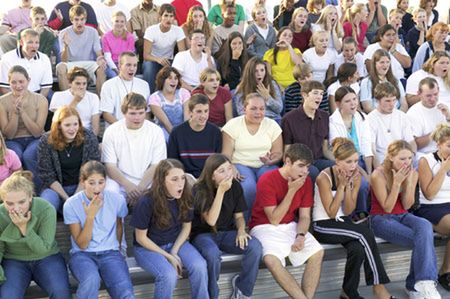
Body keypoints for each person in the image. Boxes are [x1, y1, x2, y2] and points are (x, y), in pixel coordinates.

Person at [313, 138, 392, 299]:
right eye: (348, 161)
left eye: (356, 161)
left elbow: (348, 210)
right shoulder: (324, 178)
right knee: (365, 233)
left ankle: (348, 292)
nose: (353, 165)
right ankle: (379, 286)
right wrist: (341, 186)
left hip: (343, 223)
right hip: (323, 224)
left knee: (357, 248)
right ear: (337, 161)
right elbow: (332, 213)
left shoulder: (355, 176)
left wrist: (349, 186)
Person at [249, 143, 324, 299]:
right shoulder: (267, 179)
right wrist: (292, 190)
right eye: (301, 166)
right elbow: (274, 219)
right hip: (264, 226)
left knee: (318, 252)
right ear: (288, 161)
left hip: (290, 225)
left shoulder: (306, 180)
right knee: (271, 260)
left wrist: (301, 236)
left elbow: (304, 216)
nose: (305, 171)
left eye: (307, 167)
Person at [370, 140, 441, 299]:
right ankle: (417, 285)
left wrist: (409, 182)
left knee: (424, 225)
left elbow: (407, 205)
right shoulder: (378, 174)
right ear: (390, 157)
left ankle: (422, 283)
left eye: (409, 158)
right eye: (402, 159)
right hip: (381, 218)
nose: (407, 162)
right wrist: (396, 183)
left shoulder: (413, 172)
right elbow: (387, 207)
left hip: (403, 215)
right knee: (422, 240)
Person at [131, 159, 208, 299]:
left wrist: (174, 250)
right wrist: (168, 256)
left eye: (183, 178)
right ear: (162, 181)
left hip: (175, 242)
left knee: (200, 266)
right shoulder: (146, 201)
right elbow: (140, 238)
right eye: (174, 179)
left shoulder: (185, 196)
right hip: (147, 247)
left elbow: (187, 226)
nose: (181, 183)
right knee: (168, 275)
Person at [191, 154, 262, 299]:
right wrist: (221, 192)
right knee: (212, 254)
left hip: (228, 233)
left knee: (255, 247)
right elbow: (211, 221)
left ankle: (243, 290)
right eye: (221, 171)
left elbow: (239, 216)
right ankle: (212, 295)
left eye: (229, 169)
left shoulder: (235, 186)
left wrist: (241, 230)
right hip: (203, 235)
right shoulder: (199, 189)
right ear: (211, 176)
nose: (228, 173)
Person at [64, 161, 134, 298]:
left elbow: (119, 226)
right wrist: (90, 216)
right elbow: (82, 244)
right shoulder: (71, 204)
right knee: (91, 280)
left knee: (125, 290)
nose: (97, 188)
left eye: (101, 182)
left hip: (110, 253)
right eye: (91, 183)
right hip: (82, 255)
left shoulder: (117, 200)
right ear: (82, 182)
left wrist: (117, 250)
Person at [0, 171, 71, 298]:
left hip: (47, 257)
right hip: (14, 261)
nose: (16, 208)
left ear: (30, 197)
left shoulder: (46, 209)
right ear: (3, 201)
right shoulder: (1, 214)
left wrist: (24, 228)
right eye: (9, 204)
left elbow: (43, 248)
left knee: (61, 294)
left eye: (21, 202)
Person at [222, 93, 283, 219]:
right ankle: (245, 222)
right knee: (249, 188)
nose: (258, 112)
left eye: (262, 109)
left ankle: (267, 219)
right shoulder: (233, 125)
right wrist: (230, 167)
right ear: (244, 109)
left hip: (266, 165)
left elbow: (278, 153)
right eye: (253, 108)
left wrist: (271, 160)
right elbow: (226, 154)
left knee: (271, 184)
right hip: (240, 164)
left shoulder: (272, 125)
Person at [102, 93, 166, 205]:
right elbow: (110, 166)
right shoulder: (111, 131)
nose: (137, 117)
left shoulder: (156, 131)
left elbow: (157, 165)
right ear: (124, 113)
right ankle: (117, 222)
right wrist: (128, 186)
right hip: (120, 181)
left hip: (148, 181)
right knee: (109, 191)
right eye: (132, 113)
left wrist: (139, 189)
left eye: (141, 113)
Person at [38, 106, 100, 212]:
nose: (72, 129)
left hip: (83, 187)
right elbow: (47, 176)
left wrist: (76, 198)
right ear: (59, 126)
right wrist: (67, 199)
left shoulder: (89, 137)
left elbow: (91, 171)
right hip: (57, 189)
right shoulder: (46, 141)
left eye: (75, 124)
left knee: (93, 205)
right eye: (67, 125)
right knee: (46, 204)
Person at [0, 66, 47, 189]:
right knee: (16, 154)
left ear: (28, 81)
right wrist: (15, 113)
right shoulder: (2, 101)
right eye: (13, 82)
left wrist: (23, 112)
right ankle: (16, 190)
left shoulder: (40, 99)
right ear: (9, 83)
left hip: (35, 138)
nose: (18, 85)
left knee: (29, 155)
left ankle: (36, 189)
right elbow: (8, 134)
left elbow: (37, 132)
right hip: (13, 140)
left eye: (21, 81)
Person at [417, 123, 450, 292]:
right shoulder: (426, 160)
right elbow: (429, 193)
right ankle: (445, 271)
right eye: (449, 145)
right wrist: (443, 169)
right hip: (431, 207)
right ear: (438, 144)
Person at [282, 80, 334, 182]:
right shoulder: (289, 118)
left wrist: (340, 161)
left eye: (321, 94)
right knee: (312, 172)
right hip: (299, 161)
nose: (319, 97)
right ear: (304, 95)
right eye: (315, 93)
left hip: (318, 160)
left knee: (338, 168)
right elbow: (287, 150)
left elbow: (325, 148)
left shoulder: (324, 116)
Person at [56, 5, 106, 96]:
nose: (79, 23)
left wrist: (101, 59)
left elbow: (98, 52)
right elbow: (64, 60)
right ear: (71, 20)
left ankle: (100, 102)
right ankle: (67, 100)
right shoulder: (63, 33)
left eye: (82, 19)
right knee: (60, 67)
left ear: (85, 19)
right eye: (76, 19)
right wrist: (66, 46)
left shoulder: (93, 32)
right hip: (71, 64)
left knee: (101, 67)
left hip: (88, 63)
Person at [168, 94, 222, 178]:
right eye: (199, 111)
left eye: (206, 111)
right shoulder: (177, 133)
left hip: (209, 177)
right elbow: (173, 162)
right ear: (190, 112)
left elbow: (218, 162)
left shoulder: (215, 132)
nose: (203, 116)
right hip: (185, 177)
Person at [366, 82, 416, 166]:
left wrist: (411, 159)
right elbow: (372, 149)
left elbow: (410, 142)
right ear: (378, 101)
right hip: (383, 160)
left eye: (394, 100)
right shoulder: (370, 119)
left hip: (403, 158)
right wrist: (380, 170)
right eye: (387, 101)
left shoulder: (402, 116)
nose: (392, 104)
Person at [329, 86, 374, 174]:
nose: (353, 103)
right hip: (346, 163)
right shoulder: (332, 122)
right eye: (347, 101)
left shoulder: (363, 117)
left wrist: (369, 173)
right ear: (338, 104)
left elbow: (367, 147)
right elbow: (342, 153)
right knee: (364, 185)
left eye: (354, 99)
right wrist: (365, 175)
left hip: (363, 160)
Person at [142, 3, 186, 93]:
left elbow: (182, 54)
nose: (168, 19)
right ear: (160, 17)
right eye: (165, 15)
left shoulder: (178, 30)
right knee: (149, 66)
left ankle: (177, 96)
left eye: (171, 16)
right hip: (153, 60)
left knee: (180, 67)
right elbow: (146, 55)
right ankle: (149, 96)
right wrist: (158, 59)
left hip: (169, 61)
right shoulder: (151, 30)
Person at [100, 51, 150, 125]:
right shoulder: (108, 85)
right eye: (128, 65)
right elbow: (106, 114)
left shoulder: (144, 85)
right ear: (119, 66)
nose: (132, 69)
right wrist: (124, 128)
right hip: (117, 130)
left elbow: (147, 112)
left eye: (135, 65)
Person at [0, 29, 53, 98]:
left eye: (37, 42)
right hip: (13, 97)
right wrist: (19, 101)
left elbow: (46, 87)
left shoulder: (44, 59)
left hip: (37, 97)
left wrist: (36, 103)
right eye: (30, 42)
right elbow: (4, 87)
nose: (34, 46)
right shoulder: (7, 58)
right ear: (21, 42)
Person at [49, 67, 100, 136]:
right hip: (64, 134)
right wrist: (75, 101)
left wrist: (92, 140)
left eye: (84, 83)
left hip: (86, 134)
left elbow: (95, 126)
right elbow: (59, 121)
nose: (81, 87)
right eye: (78, 84)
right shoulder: (58, 96)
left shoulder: (93, 97)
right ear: (70, 83)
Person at [407, 77, 449, 159]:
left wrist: (448, 117)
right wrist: (435, 133)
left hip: (445, 150)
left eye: (435, 94)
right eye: (428, 96)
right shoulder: (413, 113)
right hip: (426, 154)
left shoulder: (443, 107)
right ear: (419, 94)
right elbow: (415, 145)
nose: (433, 99)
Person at [234, 57, 283, 122]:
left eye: (262, 70)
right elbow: (241, 112)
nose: (259, 74)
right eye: (256, 71)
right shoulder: (242, 87)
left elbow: (279, 109)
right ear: (250, 72)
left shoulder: (272, 84)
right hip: (252, 121)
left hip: (272, 120)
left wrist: (268, 98)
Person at [148, 66, 190, 140]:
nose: (173, 81)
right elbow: (165, 123)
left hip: (183, 130)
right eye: (170, 78)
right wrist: (178, 139)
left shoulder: (184, 93)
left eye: (176, 78)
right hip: (164, 132)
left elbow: (187, 117)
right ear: (162, 80)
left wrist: (186, 134)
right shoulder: (154, 98)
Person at [360, 49, 407, 113]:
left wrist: (397, 116)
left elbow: (404, 104)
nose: (385, 65)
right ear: (374, 64)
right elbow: (367, 107)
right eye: (382, 62)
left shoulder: (396, 80)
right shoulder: (367, 82)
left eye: (387, 62)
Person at [101, 11, 135, 79]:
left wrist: (123, 69)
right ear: (112, 22)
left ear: (125, 23)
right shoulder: (106, 37)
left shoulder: (130, 37)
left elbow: (129, 56)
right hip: (111, 64)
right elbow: (107, 57)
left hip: (125, 64)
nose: (119, 23)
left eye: (122, 21)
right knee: (114, 76)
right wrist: (117, 70)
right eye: (116, 21)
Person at [130, 0, 160, 66]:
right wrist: (151, 40)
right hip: (144, 39)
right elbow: (139, 33)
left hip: (159, 38)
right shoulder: (134, 11)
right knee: (140, 42)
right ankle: (142, 65)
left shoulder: (160, 10)